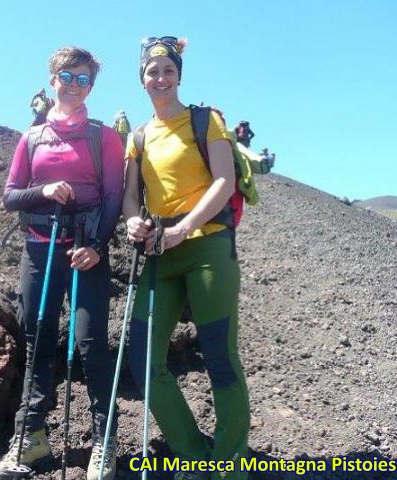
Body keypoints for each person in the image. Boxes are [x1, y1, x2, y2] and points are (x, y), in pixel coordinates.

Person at [123, 36, 250, 480]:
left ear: (179, 75)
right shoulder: (139, 137)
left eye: (168, 71)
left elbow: (223, 182)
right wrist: (133, 222)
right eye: (152, 72)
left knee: (219, 356)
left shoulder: (204, 121)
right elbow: (130, 198)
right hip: (161, 255)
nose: (160, 78)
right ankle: (193, 456)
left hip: (208, 246)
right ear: (142, 80)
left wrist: (183, 228)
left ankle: (230, 465)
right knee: (141, 359)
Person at [0, 46, 124, 480]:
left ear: (92, 86)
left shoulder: (103, 136)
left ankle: (104, 441)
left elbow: (111, 198)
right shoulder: (31, 138)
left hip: (86, 250)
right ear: (52, 80)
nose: (74, 85)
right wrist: (46, 191)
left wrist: (98, 247)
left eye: (84, 79)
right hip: (39, 248)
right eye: (67, 76)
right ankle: (30, 439)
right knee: (38, 339)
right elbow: (11, 196)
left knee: (90, 343)